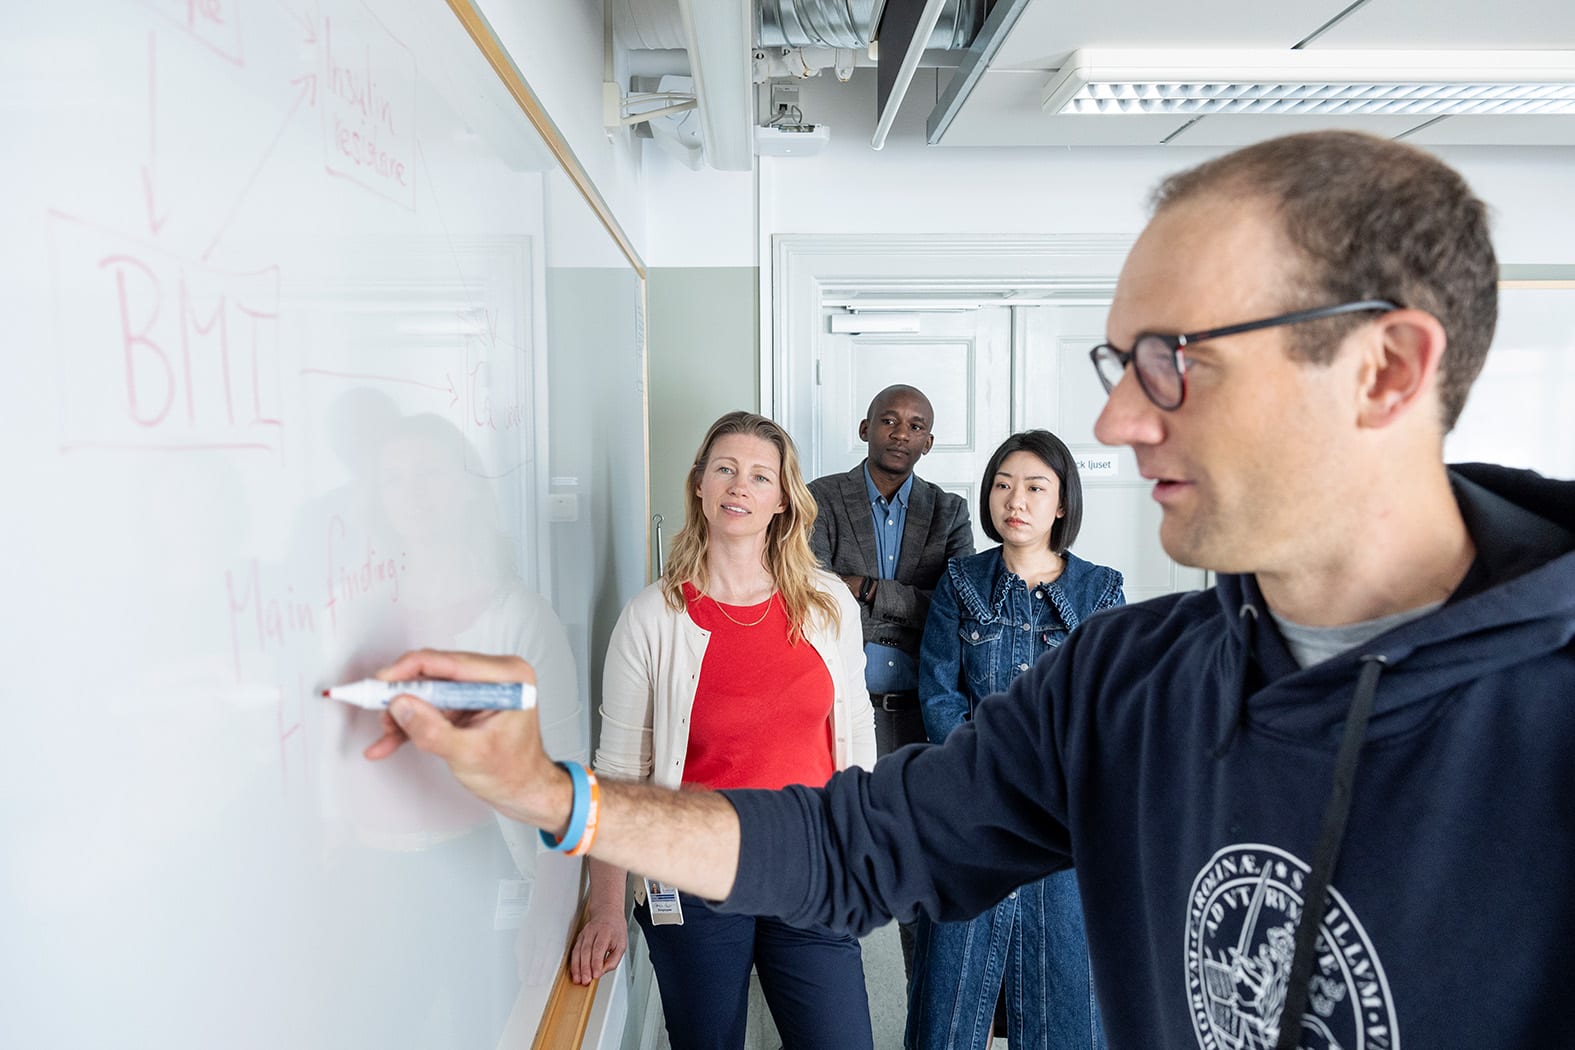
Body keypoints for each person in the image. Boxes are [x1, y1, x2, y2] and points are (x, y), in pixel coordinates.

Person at [366, 131, 1575, 1049]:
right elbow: (854, 841)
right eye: (1120, 361)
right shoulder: (1128, 682)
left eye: (1173, 360)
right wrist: (546, 790)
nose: (1113, 420)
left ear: (1384, 368)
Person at [560, 410, 877, 1050]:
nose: (740, 486)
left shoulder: (827, 606)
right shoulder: (652, 618)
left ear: (783, 499)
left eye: (761, 476)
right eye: (725, 469)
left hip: (810, 868)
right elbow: (618, 775)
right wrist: (605, 908)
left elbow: (855, 736)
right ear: (699, 484)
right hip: (695, 877)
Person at [909, 430, 1123, 1050]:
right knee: (949, 998)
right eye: (1003, 486)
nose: (1015, 501)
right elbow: (940, 694)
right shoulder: (961, 582)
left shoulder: (1099, 589)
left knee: (1066, 993)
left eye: (1034, 487)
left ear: (1061, 504)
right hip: (972, 812)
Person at [808, 383, 974, 976]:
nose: (900, 432)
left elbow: (956, 607)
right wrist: (888, 598)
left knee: (914, 867)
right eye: (889, 420)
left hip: (916, 720)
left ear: (929, 441)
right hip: (832, 713)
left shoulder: (949, 511)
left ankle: (924, 1018)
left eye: (915, 424)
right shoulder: (818, 501)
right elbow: (814, 598)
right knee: (834, 860)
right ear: (865, 428)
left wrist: (869, 588)